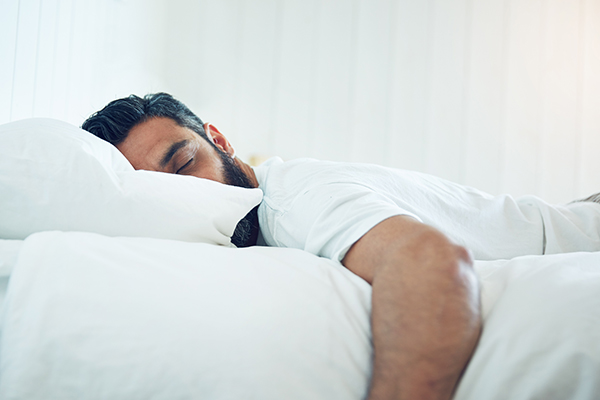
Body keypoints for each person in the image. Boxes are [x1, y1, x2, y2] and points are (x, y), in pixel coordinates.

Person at [82, 92, 600, 400]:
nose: (188, 193)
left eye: (183, 162)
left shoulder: (291, 200)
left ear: (219, 139)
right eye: (161, 189)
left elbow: (428, 263)